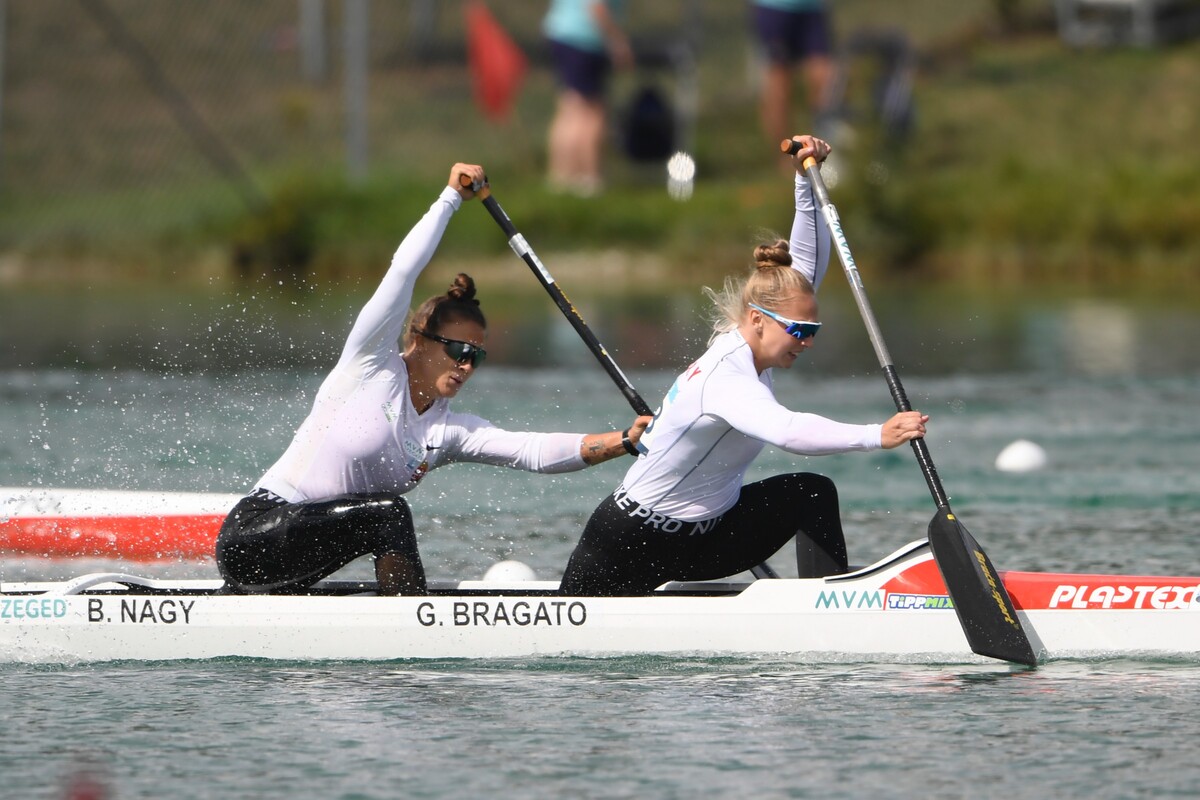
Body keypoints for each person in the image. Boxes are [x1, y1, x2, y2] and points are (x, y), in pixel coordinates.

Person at [216, 163, 650, 596]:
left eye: (477, 357)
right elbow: (402, 273)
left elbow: (532, 450)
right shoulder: (369, 365)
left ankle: (401, 620)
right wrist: (449, 200)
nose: (466, 366)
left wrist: (625, 441)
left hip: (303, 555)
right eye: (459, 351)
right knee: (389, 516)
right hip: (254, 535)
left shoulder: (446, 431)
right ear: (419, 341)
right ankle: (413, 629)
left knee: (383, 518)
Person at [559, 135, 928, 596]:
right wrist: (878, 434)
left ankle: (827, 607)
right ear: (758, 320)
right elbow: (788, 432)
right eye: (801, 332)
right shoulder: (727, 376)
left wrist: (804, 181)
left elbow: (804, 269)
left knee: (811, 494)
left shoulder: (763, 339)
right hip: (633, 541)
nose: (807, 342)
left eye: (813, 332)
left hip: (710, 536)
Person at [543, 0, 634, 196]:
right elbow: (596, 8)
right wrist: (617, 42)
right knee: (592, 112)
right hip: (583, 39)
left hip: (563, 33)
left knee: (570, 108)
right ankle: (588, 179)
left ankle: (561, 178)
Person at [750, 0, 837, 145]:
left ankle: (822, 147)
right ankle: (785, 152)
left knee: (825, 78)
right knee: (780, 83)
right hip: (774, 8)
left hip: (813, 8)